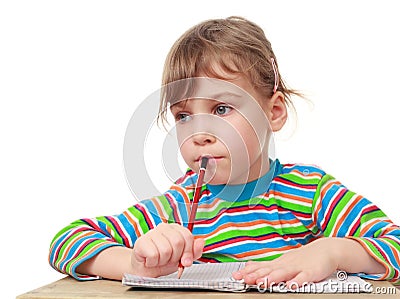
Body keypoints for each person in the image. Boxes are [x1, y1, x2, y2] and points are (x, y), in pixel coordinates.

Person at [49, 16, 400, 288]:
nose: (200, 133)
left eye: (221, 110)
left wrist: (333, 252)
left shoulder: (311, 192)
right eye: (184, 115)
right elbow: (67, 242)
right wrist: (138, 264)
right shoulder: (176, 207)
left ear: (273, 112)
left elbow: (394, 243)